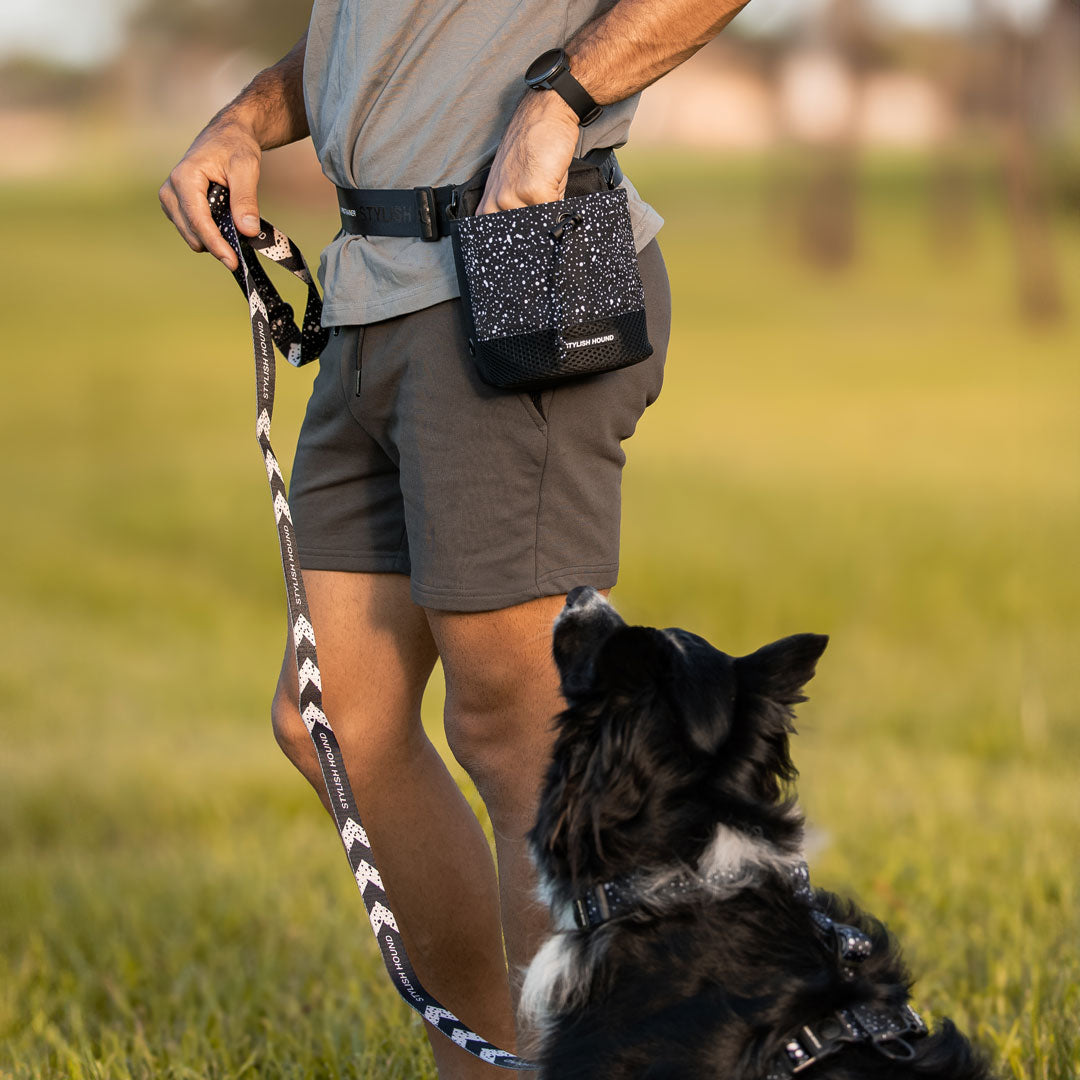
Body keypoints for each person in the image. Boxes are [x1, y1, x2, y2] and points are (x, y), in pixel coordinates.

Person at [160, 1, 747, 1075]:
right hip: (373, 290)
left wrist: (563, 99)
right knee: (334, 717)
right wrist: (245, 120)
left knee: (520, 733)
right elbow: (377, 41)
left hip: (519, 265)